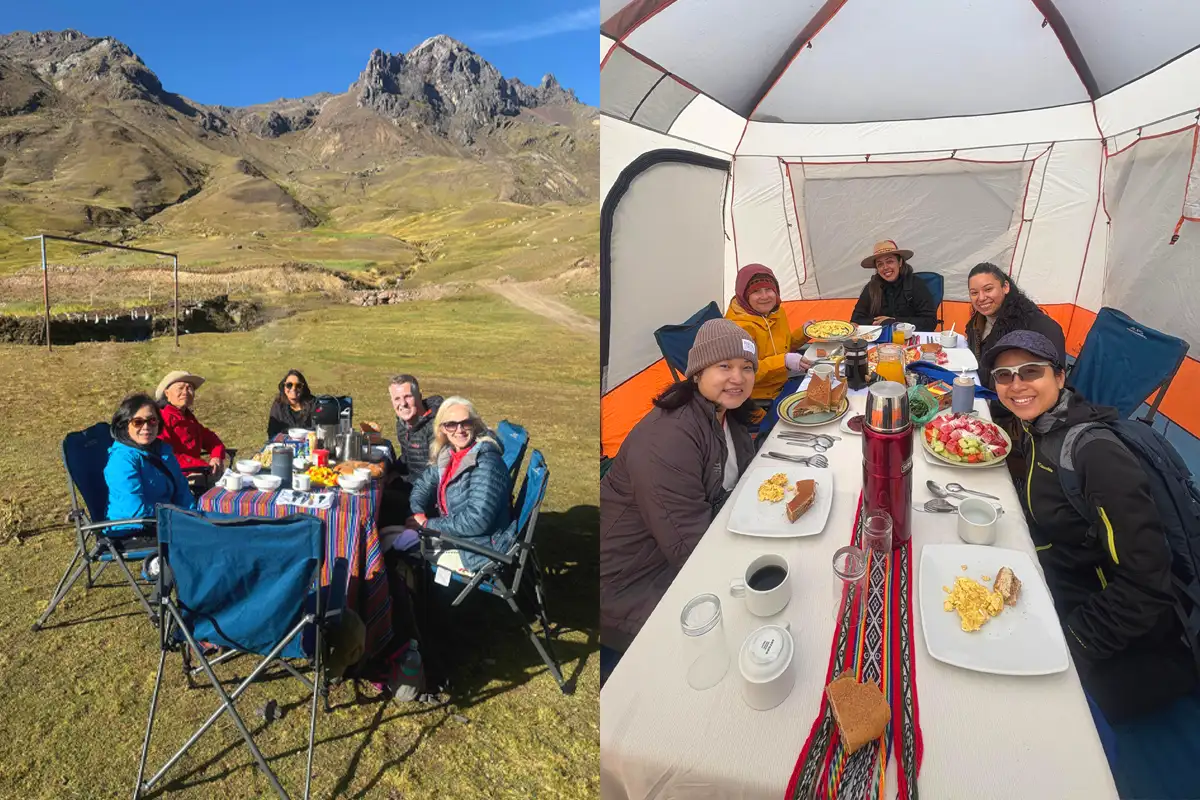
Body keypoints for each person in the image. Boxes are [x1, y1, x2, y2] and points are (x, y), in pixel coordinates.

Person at [983, 330, 1197, 721]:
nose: (1017, 385)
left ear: (1061, 377)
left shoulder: (1096, 457)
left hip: (1121, 631)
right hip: (1065, 573)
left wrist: (1069, 641)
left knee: (1011, 702)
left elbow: (1148, 588)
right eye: (1004, 375)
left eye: (1031, 371)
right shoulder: (1041, 426)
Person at [600, 319, 757, 681]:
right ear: (698, 371)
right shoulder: (668, 438)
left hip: (677, 555)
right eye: (725, 366)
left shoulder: (724, 417)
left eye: (747, 367)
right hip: (632, 584)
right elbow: (692, 552)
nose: (738, 377)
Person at [405, 397, 514, 574]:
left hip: (479, 550)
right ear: (442, 429)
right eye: (451, 425)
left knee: (399, 550)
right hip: (457, 536)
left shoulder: (486, 463)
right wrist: (417, 512)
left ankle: (421, 598)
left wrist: (427, 525)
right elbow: (423, 484)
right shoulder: (450, 453)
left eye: (466, 423)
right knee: (389, 534)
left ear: (475, 424)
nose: (460, 430)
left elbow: (477, 521)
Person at [724, 263, 811, 418]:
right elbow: (742, 374)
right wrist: (783, 361)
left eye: (769, 290)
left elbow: (783, 347)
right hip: (758, 399)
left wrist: (804, 333)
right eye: (756, 291)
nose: (765, 296)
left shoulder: (775, 313)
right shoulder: (737, 330)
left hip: (783, 382)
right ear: (744, 295)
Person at [105, 393, 196, 536]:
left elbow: (181, 489)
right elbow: (134, 511)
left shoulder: (162, 450)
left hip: (166, 520)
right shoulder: (122, 461)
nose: (146, 427)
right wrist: (177, 520)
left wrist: (193, 516)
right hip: (135, 529)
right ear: (124, 425)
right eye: (138, 422)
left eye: (152, 420)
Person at [966, 263, 1065, 386]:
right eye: (974, 293)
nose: (981, 298)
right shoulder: (977, 322)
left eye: (988, 289)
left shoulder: (1036, 325)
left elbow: (1053, 380)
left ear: (1005, 287)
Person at [379, 374, 444, 527]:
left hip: (429, 499)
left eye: (407, 397)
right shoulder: (403, 423)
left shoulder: (435, 427)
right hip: (412, 485)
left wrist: (400, 479)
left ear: (419, 396)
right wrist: (392, 470)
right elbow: (407, 457)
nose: (403, 404)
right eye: (397, 399)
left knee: (378, 504)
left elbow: (435, 475)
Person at [155, 371, 227, 484]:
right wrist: (202, 466)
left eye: (189, 388)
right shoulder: (161, 419)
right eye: (180, 388)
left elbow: (212, 440)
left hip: (197, 472)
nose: (185, 392)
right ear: (167, 393)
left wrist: (216, 456)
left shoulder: (189, 418)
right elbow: (165, 455)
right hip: (174, 478)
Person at [850, 239, 938, 330]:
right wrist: (881, 323)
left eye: (889, 261)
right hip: (880, 340)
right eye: (880, 264)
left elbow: (930, 322)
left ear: (900, 263)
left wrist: (894, 321)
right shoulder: (871, 287)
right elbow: (856, 320)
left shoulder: (916, 284)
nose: (885, 267)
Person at [267, 369, 315, 438]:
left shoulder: (313, 404)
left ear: (303, 388)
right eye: (289, 385)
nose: (293, 388)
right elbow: (272, 432)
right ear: (284, 387)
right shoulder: (278, 405)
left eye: (298, 385)